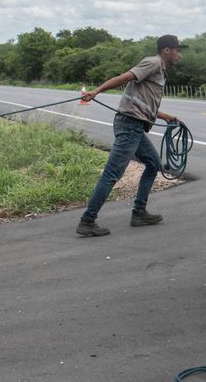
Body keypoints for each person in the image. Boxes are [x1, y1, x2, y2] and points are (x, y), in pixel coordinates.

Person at [76, 34, 187, 237]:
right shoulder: (153, 63)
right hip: (129, 126)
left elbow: (142, 102)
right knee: (112, 174)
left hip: (135, 126)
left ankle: (139, 213)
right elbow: (125, 77)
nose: (180, 54)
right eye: (178, 50)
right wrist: (97, 91)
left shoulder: (160, 70)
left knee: (153, 164)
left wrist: (164, 116)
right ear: (166, 50)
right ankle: (87, 220)